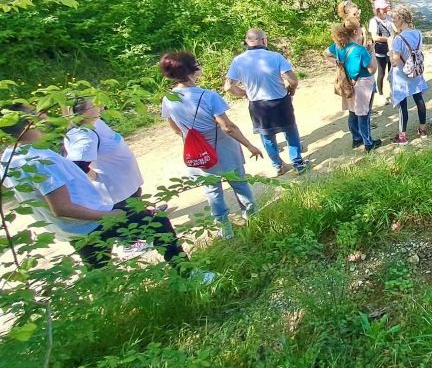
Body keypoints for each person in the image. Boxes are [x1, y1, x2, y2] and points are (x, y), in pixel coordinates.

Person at [1, 104, 211, 280]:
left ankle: (105, 307)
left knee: (98, 270)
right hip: (91, 221)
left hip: (72, 229)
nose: (44, 114)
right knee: (157, 223)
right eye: (36, 111)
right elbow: (61, 208)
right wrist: (109, 215)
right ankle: (190, 274)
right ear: (31, 121)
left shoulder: (10, 158)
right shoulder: (38, 162)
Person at [160, 52, 263, 239]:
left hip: (198, 151)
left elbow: (175, 129)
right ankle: (252, 218)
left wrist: (194, 139)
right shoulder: (208, 96)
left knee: (212, 191)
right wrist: (249, 145)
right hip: (223, 147)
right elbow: (227, 127)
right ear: (191, 71)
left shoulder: (168, 98)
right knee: (239, 183)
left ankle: (225, 229)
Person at [64, 98, 149, 256]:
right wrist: (94, 175)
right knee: (124, 211)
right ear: (83, 112)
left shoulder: (96, 123)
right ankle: (129, 244)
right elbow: (76, 165)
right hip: (113, 187)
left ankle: (144, 220)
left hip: (125, 182)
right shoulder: (84, 135)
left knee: (134, 203)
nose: (101, 104)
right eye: (95, 104)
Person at [224, 28, 305, 176]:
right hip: (280, 101)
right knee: (290, 130)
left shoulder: (239, 61)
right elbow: (293, 80)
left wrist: (244, 94)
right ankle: (298, 163)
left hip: (258, 105)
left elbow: (228, 87)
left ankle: (277, 165)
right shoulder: (275, 57)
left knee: (267, 136)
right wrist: (291, 90)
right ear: (263, 40)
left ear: (247, 42)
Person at [324, 19, 382, 152]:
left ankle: (356, 138)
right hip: (362, 84)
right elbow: (372, 69)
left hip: (347, 84)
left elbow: (326, 53)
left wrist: (338, 63)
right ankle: (368, 142)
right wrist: (371, 52)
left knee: (352, 111)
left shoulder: (339, 45)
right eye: (360, 28)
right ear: (356, 31)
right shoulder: (359, 49)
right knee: (364, 114)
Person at [389, 6, 429, 143]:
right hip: (416, 71)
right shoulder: (418, 33)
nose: (392, 21)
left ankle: (402, 135)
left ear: (401, 19)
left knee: (403, 105)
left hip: (402, 76)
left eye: (394, 18)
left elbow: (394, 61)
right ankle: (423, 129)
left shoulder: (398, 39)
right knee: (419, 100)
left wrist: (390, 50)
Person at [368, 0, 395, 101]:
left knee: (392, 72)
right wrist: (388, 39)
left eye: (385, 7)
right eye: (383, 8)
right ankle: (381, 94)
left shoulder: (389, 18)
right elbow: (374, 37)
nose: (385, 9)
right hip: (381, 49)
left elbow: (394, 30)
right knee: (381, 73)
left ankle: (393, 92)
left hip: (391, 48)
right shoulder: (374, 21)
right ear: (378, 10)